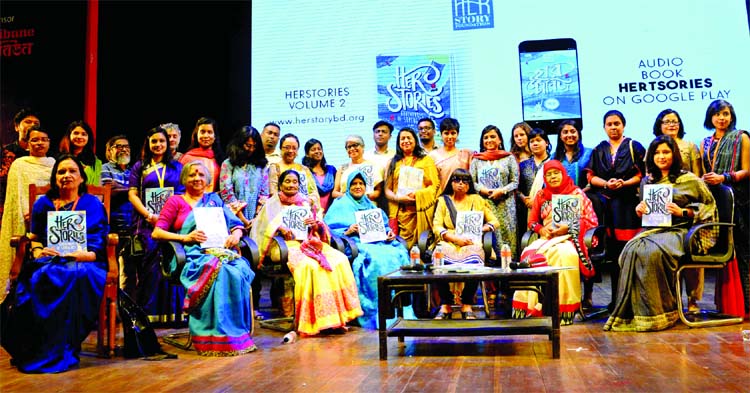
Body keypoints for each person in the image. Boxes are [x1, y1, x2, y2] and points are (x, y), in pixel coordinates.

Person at [2, 154, 116, 373]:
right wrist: (37, 251)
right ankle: (39, 345)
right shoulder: (43, 203)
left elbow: (100, 242)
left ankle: (66, 343)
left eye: (72, 171)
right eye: (61, 172)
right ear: (55, 178)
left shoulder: (92, 203)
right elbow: (34, 237)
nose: (67, 176)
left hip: (85, 259)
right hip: (50, 257)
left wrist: (84, 255)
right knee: (39, 276)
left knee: (77, 273)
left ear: (81, 178)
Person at [604, 136, 718, 332]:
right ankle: (636, 313)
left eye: (666, 152)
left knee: (651, 254)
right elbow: (647, 214)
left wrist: (683, 212)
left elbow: (709, 208)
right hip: (654, 230)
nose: (661, 156)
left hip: (682, 231)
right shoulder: (648, 181)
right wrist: (640, 210)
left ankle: (663, 312)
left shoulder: (689, 179)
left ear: (674, 154)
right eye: (657, 153)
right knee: (631, 252)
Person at [152, 161, 257, 356]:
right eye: (192, 174)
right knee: (221, 271)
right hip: (189, 254)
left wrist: (235, 235)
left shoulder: (215, 200)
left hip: (219, 250)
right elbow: (157, 233)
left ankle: (234, 333)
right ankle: (211, 336)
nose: (197, 178)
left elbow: (236, 225)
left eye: (201, 174)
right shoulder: (175, 201)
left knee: (236, 269)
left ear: (208, 179)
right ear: (184, 179)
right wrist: (186, 237)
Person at [250, 169, 362, 336]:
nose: (291, 185)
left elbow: (320, 227)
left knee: (339, 260)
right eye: (287, 181)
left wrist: (314, 224)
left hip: (309, 241)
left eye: (294, 182)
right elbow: (262, 228)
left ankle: (338, 317)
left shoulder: (305, 203)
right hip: (284, 244)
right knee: (310, 266)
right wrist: (279, 228)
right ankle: (314, 320)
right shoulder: (272, 204)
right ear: (280, 184)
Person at [511, 160, 598, 325]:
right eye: (549, 174)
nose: (553, 177)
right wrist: (541, 230)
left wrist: (568, 228)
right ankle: (530, 306)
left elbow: (590, 220)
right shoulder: (541, 195)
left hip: (570, 238)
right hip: (546, 238)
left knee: (565, 255)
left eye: (556, 173)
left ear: (563, 174)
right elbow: (532, 222)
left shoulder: (577, 193)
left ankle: (562, 309)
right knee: (529, 255)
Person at [324, 170, 409, 328]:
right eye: (354, 184)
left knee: (399, 252)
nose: (358, 187)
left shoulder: (370, 205)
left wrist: (389, 234)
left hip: (378, 241)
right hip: (355, 242)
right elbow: (328, 229)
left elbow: (383, 227)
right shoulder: (340, 204)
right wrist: (347, 230)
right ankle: (376, 310)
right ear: (348, 186)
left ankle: (400, 307)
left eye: (361, 184)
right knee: (375, 259)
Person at [586, 110, 646, 306]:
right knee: (612, 255)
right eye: (609, 124)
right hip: (606, 209)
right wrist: (606, 184)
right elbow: (590, 177)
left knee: (628, 252)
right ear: (604, 127)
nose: (613, 127)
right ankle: (616, 301)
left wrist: (624, 182)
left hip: (628, 208)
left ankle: (633, 300)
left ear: (624, 125)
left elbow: (641, 175)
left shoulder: (634, 146)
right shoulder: (598, 149)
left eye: (617, 123)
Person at [699, 99, 750, 318]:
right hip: (717, 201)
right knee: (725, 251)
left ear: (732, 116)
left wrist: (724, 177)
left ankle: (746, 305)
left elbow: (747, 170)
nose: (722, 118)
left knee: (744, 251)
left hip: (740, 201)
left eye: (726, 114)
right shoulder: (705, 142)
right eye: (718, 114)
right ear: (710, 118)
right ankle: (729, 304)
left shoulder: (742, 137)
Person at [650, 109, 704, 311]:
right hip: (661, 215)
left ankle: (692, 299)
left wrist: (685, 206)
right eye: (667, 121)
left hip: (685, 209)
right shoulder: (654, 146)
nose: (672, 125)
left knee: (690, 252)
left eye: (675, 121)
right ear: (659, 124)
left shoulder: (690, 146)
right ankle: (668, 301)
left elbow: (697, 178)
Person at [128, 126, 185, 317]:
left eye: (162, 141)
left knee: (174, 260)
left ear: (168, 144)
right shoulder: (140, 167)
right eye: (154, 141)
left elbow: (183, 195)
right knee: (149, 266)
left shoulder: (178, 167)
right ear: (148, 143)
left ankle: (173, 313)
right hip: (147, 223)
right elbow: (133, 194)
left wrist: (172, 216)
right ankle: (148, 313)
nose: (158, 145)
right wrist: (148, 215)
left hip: (173, 223)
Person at [432, 169, 500, 320]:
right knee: (439, 256)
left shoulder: (477, 200)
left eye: (465, 181)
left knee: (475, 253)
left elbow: (495, 221)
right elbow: (436, 226)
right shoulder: (443, 201)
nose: (461, 184)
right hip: (449, 240)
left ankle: (467, 303)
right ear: (451, 183)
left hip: (471, 240)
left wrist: (481, 228)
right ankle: (446, 304)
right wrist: (454, 238)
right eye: (457, 181)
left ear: (469, 185)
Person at [219, 126, 270, 319]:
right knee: (234, 262)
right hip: (233, 222)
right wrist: (241, 219)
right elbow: (226, 192)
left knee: (254, 262)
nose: (250, 149)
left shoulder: (262, 165)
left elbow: (264, 193)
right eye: (246, 145)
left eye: (253, 146)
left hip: (256, 222)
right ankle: (234, 309)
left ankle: (253, 306)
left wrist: (256, 218)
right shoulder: (228, 164)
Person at [0, 126, 55, 303]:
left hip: (52, 222)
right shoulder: (19, 165)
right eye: (35, 140)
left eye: (43, 139)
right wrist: (30, 217)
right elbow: (16, 197)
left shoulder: (55, 165)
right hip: (25, 222)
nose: (39, 143)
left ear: (49, 143)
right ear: (27, 144)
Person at [384, 127, 440, 248]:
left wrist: (418, 195)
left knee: (421, 249)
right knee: (401, 248)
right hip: (401, 214)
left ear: (415, 140)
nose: (406, 141)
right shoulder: (393, 162)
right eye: (402, 138)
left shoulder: (426, 160)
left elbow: (434, 186)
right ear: (398, 142)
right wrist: (398, 198)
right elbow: (387, 190)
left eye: (409, 138)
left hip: (420, 212)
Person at [470, 124, 518, 258]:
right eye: (486, 138)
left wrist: (502, 191)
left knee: (508, 236)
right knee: (490, 237)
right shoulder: (476, 159)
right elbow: (472, 182)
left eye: (493, 137)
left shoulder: (509, 158)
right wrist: (482, 190)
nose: (489, 140)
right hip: (485, 203)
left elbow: (515, 182)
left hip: (506, 205)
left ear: (500, 140)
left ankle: (510, 268)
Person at [100, 135, 135, 293]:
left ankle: (127, 311)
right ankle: (112, 309)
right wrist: (133, 190)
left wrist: (121, 188)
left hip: (133, 227)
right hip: (113, 227)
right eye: (118, 146)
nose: (123, 149)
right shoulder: (105, 168)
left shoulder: (134, 170)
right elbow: (110, 191)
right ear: (109, 151)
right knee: (113, 271)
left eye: (126, 146)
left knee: (130, 273)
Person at [1, 108, 40, 222]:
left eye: (36, 123)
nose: (32, 125)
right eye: (28, 122)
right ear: (17, 127)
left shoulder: (48, 157)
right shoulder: (5, 154)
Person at [517, 128, 551, 254]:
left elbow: (556, 188)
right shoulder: (523, 165)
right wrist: (523, 199)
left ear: (546, 142)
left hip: (547, 210)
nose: (535, 143)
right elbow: (517, 189)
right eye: (532, 141)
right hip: (526, 210)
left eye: (538, 140)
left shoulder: (553, 163)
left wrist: (537, 200)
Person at [268, 133, 321, 208]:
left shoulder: (304, 169)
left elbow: (314, 192)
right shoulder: (275, 167)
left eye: (294, 148)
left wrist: (307, 201)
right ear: (280, 149)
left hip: (304, 210)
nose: (291, 151)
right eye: (287, 147)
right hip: (282, 211)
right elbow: (273, 193)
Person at [332, 135, 383, 203]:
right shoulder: (342, 168)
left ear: (363, 147)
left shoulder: (373, 166)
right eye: (349, 147)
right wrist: (351, 198)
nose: (352, 148)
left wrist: (364, 197)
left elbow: (378, 190)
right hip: (347, 206)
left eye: (355, 145)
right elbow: (335, 193)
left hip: (368, 206)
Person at [179, 117, 224, 192]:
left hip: (214, 201)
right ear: (197, 135)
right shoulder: (187, 158)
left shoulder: (220, 158)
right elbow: (180, 185)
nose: (206, 136)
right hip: (191, 201)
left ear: (215, 136)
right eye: (202, 132)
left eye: (209, 132)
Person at [429, 117, 472, 194]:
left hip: (461, 199)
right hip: (440, 199)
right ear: (441, 134)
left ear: (457, 134)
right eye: (446, 133)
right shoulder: (432, 156)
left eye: (453, 133)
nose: (450, 137)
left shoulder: (465, 155)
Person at [58, 120, 102, 186]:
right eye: (76, 133)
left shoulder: (95, 162)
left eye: (84, 134)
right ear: (69, 135)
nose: (79, 137)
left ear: (88, 138)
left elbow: (100, 186)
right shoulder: (60, 158)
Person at [553, 120, 592, 190]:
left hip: (585, 196)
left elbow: (594, 177)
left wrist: (580, 193)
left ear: (578, 134)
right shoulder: (554, 157)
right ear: (560, 137)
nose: (569, 135)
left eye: (573, 131)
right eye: (565, 132)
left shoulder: (589, 153)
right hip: (561, 198)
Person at [302, 138, 337, 212]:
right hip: (312, 213)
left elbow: (336, 191)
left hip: (331, 213)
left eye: (319, 149)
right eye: (313, 149)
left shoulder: (331, 170)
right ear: (307, 154)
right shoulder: (304, 172)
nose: (317, 151)